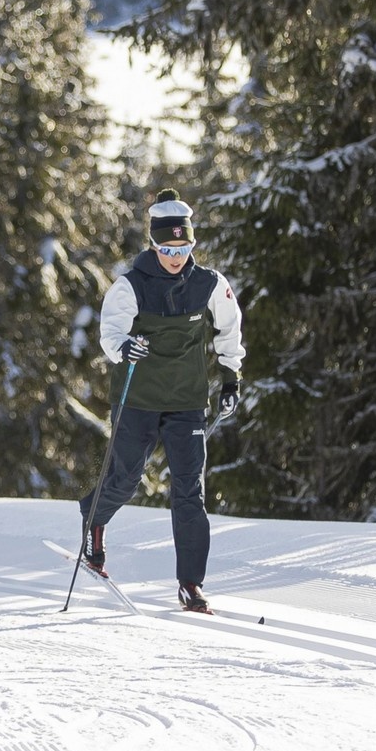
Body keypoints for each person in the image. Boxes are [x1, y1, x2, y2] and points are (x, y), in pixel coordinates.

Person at [79, 189, 243, 612]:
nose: (176, 255)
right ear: (153, 245)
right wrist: (124, 347)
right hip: (137, 397)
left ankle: (191, 584)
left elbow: (229, 329)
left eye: (184, 247)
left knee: (190, 491)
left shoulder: (209, 283)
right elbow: (110, 333)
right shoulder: (130, 285)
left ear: (192, 244)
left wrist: (230, 378)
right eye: (168, 248)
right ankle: (94, 521)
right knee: (126, 479)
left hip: (187, 400)